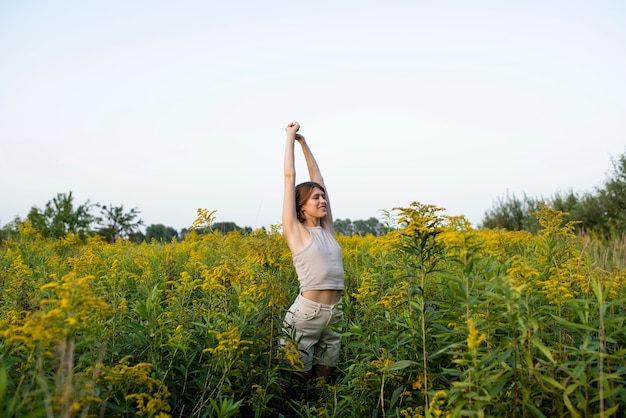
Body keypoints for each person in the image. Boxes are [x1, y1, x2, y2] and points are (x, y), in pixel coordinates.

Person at [281, 121, 344, 382]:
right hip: (306, 315)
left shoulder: (326, 229)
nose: (323, 200)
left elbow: (319, 179)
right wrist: (289, 137)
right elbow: (289, 177)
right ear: (301, 206)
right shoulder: (296, 231)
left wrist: (304, 144)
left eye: (323, 197)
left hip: (335, 313)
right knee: (293, 380)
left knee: (323, 381)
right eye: (315, 198)